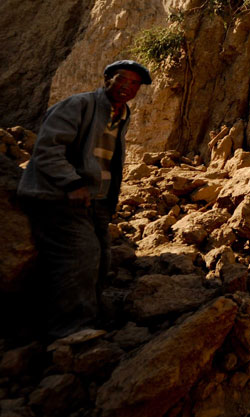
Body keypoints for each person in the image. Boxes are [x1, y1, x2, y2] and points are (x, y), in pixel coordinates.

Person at [18, 60, 151, 339]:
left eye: (134, 83)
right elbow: (47, 148)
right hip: (60, 196)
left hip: (95, 201)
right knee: (81, 255)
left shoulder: (120, 116)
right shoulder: (79, 105)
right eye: (121, 79)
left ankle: (93, 318)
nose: (127, 86)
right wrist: (72, 183)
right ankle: (69, 331)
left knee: (102, 258)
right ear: (107, 79)